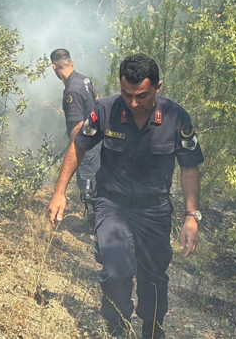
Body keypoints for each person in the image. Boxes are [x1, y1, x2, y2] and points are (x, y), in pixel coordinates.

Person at [48, 54, 204, 339]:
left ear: (158, 86)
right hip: (112, 205)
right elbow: (78, 146)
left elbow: (189, 167)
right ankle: (118, 327)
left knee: (154, 278)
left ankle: (153, 329)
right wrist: (59, 193)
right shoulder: (105, 109)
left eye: (141, 95)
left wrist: (191, 216)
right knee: (116, 271)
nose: (133, 103)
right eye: (127, 94)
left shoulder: (175, 117)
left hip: (154, 211)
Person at [50, 48, 100, 230]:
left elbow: (78, 127)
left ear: (54, 68)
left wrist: (73, 149)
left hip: (86, 147)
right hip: (97, 142)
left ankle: (96, 230)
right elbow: (97, 100)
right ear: (72, 62)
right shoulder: (84, 79)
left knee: (89, 189)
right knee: (96, 183)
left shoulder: (72, 90)